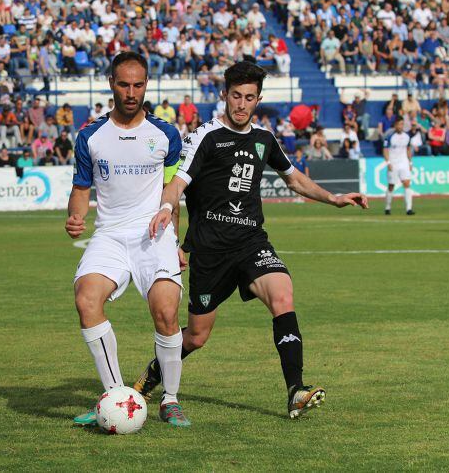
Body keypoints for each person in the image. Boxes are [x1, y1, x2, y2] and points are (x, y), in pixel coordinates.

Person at [134, 61, 368, 419]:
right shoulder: (205, 137)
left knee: (283, 294)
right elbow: (178, 183)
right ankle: (152, 375)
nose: (242, 104)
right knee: (196, 337)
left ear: (258, 99)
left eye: (249, 98)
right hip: (210, 251)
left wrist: (334, 198)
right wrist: (167, 208)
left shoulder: (264, 139)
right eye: (236, 96)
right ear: (224, 95)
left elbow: (293, 179)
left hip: (251, 242)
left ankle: (295, 391)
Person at [66, 52, 188, 428]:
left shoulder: (165, 134)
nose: (131, 92)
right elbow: (81, 188)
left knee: (166, 312)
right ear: (111, 84)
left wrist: (179, 241)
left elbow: (174, 192)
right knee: (87, 299)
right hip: (110, 235)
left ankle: (170, 398)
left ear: (146, 85)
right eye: (124, 84)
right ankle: (115, 395)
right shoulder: (90, 136)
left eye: (138, 84)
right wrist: (75, 216)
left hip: (155, 235)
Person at [383, 117, 415, 216]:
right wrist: (388, 162)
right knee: (391, 186)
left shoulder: (407, 136)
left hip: (404, 163)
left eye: (402, 124)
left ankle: (408, 209)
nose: (400, 126)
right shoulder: (389, 136)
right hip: (393, 163)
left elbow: (408, 149)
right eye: (399, 124)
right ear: (395, 125)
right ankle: (387, 207)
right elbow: (385, 150)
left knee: (407, 183)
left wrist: (410, 163)